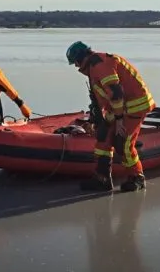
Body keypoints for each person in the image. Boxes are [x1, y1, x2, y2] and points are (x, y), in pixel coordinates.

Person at [66, 41, 155, 192]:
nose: (76, 66)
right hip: (118, 108)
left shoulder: (100, 65)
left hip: (135, 106)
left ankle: (137, 177)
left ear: (81, 58)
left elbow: (116, 93)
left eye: (75, 62)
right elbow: (100, 98)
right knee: (103, 137)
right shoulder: (93, 67)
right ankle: (102, 178)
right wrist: (94, 120)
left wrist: (119, 120)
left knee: (123, 142)